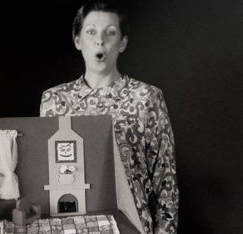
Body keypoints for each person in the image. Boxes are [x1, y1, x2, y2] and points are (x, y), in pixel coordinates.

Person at [40, 0, 179, 233]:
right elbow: (46, 174)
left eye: (110, 33)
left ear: (122, 43)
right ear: (78, 41)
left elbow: (166, 179)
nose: (100, 40)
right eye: (91, 31)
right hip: (71, 225)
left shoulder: (146, 97)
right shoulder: (54, 100)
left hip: (132, 225)